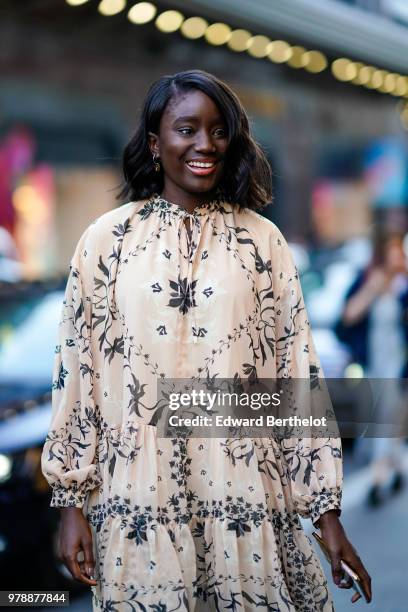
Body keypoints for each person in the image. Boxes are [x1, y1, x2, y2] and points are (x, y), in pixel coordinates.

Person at [41, 70, 371, 611]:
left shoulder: (263, 241)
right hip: (136, 502)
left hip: (245, 497)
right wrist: (70, 503)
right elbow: (77, 372)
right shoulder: (105, 243)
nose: (204, 145)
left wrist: (326, 514)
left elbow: (295, 379)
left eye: (218, 131)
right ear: (155, 143)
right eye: (186, 129)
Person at [339, 229, 408, 507]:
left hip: (399, 369)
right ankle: (398, 469)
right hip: (372, 366)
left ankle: (378, 479)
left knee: (387, 419)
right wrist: (375, 287)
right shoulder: (367, 280)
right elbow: (348, 315)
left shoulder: (404, 289)